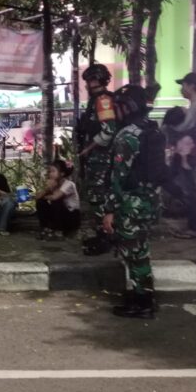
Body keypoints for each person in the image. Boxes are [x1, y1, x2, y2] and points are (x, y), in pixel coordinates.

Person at [102, 84, 162, 319]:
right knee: (140, 250)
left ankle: (142, 301)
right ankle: (143, 296)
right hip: (149, 199)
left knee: (134, 253)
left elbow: (118, 177)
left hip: (131, 203)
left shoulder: (127, 136)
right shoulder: (150, 130)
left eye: (118, 107)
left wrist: (109, 210)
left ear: (128, 108)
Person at [77, 64, 118, 255]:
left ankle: (106, 237)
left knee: (99, 197)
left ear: (94, 80)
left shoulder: (103, 100)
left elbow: (108, 131)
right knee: (96, 197)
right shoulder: (97, 100)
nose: (86, 85)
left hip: (102, 159)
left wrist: (88, 149)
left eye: (88, 81)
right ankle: (103, 234)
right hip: (97, 159)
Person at [167, 72, 196, 239]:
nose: (181, 89)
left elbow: (186, 125)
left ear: (191, 86)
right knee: (170, 180)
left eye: (183, 85)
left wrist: (170, 126)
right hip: (185, 151)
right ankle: (187, 214)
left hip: (190, 152)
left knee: (189, 190)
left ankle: (194, 227)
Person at [35, 159, 80, 239]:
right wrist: (46, 190)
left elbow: (55, 197)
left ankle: (59, 232)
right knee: (41, 202)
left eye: (53, 171)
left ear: (62, 173)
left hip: (71, 217)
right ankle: (45, 228)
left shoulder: (69, 184)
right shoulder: (54, 183)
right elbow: (37, 197)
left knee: (56, 202)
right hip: (60, 215)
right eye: (50, 171)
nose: (50, 174)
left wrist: (50, 189)